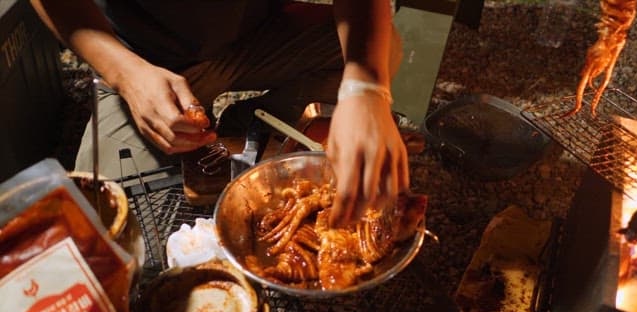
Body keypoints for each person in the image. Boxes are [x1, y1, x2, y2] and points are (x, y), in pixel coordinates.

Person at [30, 0, 409, 225]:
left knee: (382, 50)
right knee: (109, 221)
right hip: (147, 59)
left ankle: (249, 131)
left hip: (259, 31)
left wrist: (366, 88)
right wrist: (126, 75)